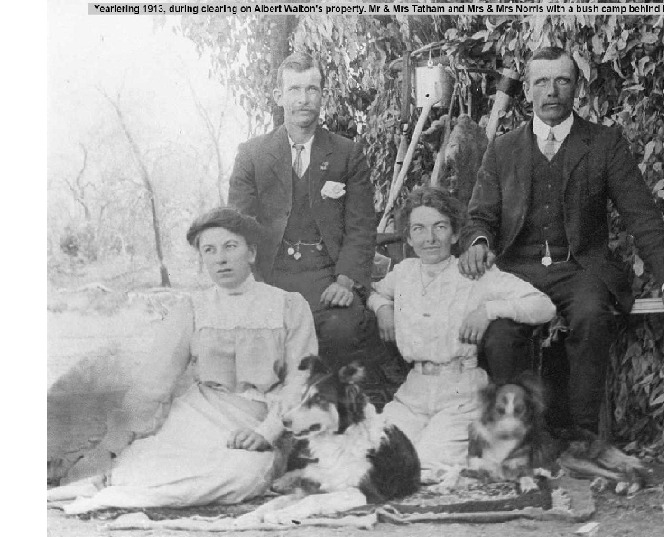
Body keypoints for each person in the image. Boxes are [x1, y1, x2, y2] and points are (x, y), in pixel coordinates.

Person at [458, 47, 664, 435]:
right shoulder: (502, 149)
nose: (552, 91)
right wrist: (479, 242)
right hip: (519, 271)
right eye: (541, 82)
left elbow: (641, 215)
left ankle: (583, 435)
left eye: (562, 80)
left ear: (577, 88)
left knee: (591, 314)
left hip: (580, 268)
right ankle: (519, 438)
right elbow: (479, 216)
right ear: (528, 91)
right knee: (499, 333)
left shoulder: (604, 144)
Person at [47, 207, 318, 513]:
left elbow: (302, 379)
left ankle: (122, 494)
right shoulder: (192, 308)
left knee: (242, 475)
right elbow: (154, 383)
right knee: (146, 461)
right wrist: (112, 445)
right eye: (209, 250)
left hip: (258, 422)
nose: (221, 258)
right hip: (196, 416)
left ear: (251, 253)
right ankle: (114, 484)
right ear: (203, 259)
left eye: (231, 246)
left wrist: (267, 432)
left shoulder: (290, 306)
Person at [368, 187, 556, 480]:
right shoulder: (403, 273)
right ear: (408, 238)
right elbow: (375, 293)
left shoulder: (473, 274)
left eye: (439, 227)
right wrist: (382, 308)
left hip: (461, 394)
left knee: (426, 467)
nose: (429, 238)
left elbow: (544, 306)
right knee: (375, 457)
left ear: (455, 235)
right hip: (412, 393)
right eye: (419, 229)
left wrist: (489, 310)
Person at [227, 52, 376, 370]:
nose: (304, 99)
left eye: (312, 89)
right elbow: (238, 229)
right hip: (271, 279)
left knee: (343, 330)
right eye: (294, 89)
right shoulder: (252, 156)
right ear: (279, 96)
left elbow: (361, 227)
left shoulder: (347, 154)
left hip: (327, 280)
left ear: (322, 95)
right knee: (261, 344)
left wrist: (345, 282)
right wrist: (251, 286)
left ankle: (333, 415)